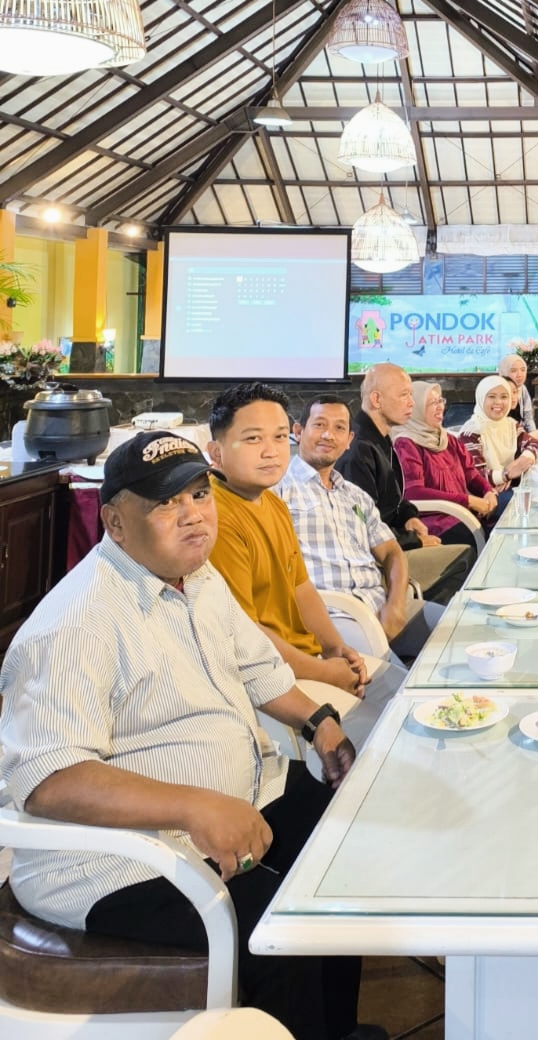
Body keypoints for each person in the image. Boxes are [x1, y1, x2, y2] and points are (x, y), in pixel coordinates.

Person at [0, 430, 383, 1040]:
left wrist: (319, 722)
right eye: (165, 504)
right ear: (116, 524)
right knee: (273, 923)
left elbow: (258, 668)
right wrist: (198, 805)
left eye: (198, 495)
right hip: (115, 862)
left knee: (343, 858)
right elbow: (50, 779)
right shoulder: (77, 623)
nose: (193, 517)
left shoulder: (197, 580)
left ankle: (337, 1027)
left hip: (239, 797)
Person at [206, 383, 396, 749]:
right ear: (215, 452)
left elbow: (301, 588)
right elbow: (245, 634)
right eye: (252, 439)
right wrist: (325, 672)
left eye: (278, 438)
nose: (271, 451)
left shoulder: (271, 504)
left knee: (407, 698)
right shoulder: (217, 518)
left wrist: (336, 649)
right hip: (273, 678)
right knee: (388, 739)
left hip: (309, 659)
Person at [277, 396, 440, 660]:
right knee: (397, 688)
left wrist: (396, 606)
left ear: (349, 439)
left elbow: (392, 553)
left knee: (461, 633)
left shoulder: (355, 496)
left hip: (382, 604)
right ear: (298, 431)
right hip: (335, 616)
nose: (329, 435)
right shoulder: (279, 493)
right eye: (319, 425)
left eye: (339, 428)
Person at [334, 363, 472, 603]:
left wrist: (409, 516)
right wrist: (414, 541)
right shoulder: (358, 450)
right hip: (379, 558)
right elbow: (362, 530)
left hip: (395, 539)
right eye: (404, 395)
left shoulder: (381, 438)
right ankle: (417, 625)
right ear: (376, 399)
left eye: (411, 394)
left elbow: (394, 497)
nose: (411, 402)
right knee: (463, 557)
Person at [394, 380, 500, 544]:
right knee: (479, 538)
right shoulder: (406, 444)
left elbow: (471, 474)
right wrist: (468, 501)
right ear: (417, 408)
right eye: (432, 403)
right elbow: (413, 492)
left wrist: (488, 491)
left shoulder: (448, 439)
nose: (439, 407)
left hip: (461, 514)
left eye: (440, 401)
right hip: (435, 521)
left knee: (503, 523)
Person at [459, 375, 538, 490]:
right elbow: (475, 477)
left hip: (508, 488)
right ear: (481, 398)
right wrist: (505, 475)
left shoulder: (511, 425)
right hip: (483, 498)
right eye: (491, 396)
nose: (498, 402)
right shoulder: (471, 432)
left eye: (504, 397)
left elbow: (535, 445)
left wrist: (524, 460)